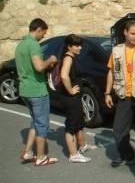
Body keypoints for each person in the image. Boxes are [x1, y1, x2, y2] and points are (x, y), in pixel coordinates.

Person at [104, 20, 135, 172]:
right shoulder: (116, 51)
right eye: (133, 33)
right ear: (125, 32)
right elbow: (111, 71)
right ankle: (128, 156)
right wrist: (107, 93)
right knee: (119, 130)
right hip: (124, 96)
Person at [15, 18, 58, 166]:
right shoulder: (33, 45)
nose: (43, 36)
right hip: (36, 90)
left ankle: (28, 151)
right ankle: (41, 157)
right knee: (42, 124)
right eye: (43, 33)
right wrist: (50, 60)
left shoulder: (20, 45)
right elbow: (39, 67)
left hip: (25, 89)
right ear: (38, 29)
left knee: (35, 121)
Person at [59, 34, 92, 163]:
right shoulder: (68, 58)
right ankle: (73, 155)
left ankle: (82, 146)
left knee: (79, 123)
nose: (80, 48)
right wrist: (70, 90)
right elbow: (63, 76)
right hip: (70, 98)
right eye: (77, 45)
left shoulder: (72, 56)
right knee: (71, 126)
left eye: (80, 45)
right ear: (69, 46)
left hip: (75, 97)